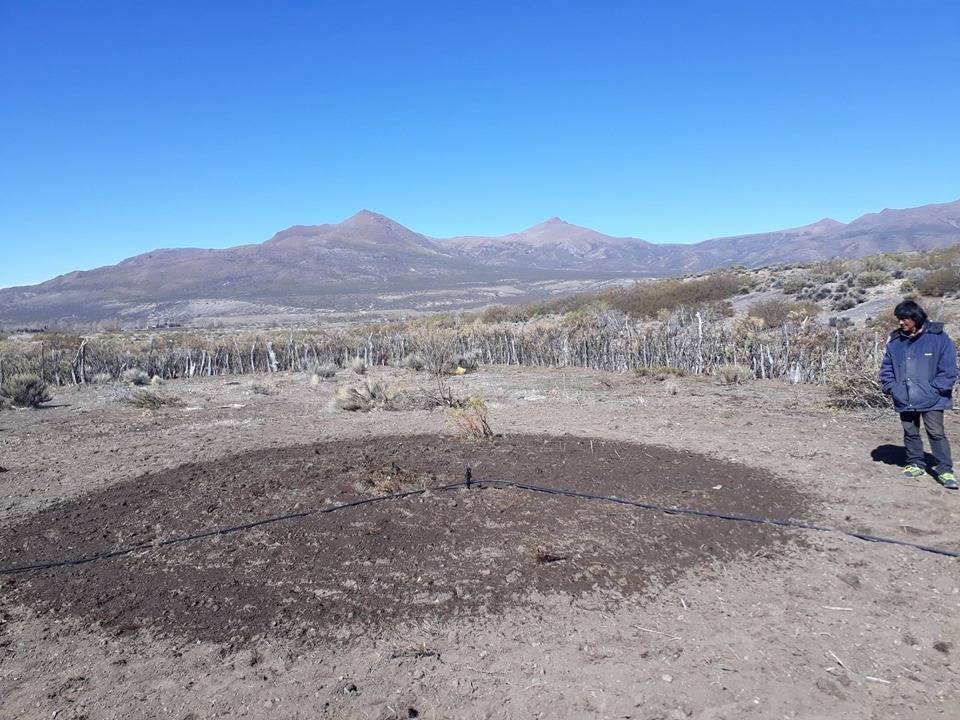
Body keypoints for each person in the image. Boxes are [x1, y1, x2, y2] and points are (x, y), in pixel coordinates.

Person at [879, 300, 958, 490]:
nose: (901, 322)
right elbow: (886, 370)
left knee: (936, 433)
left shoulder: (939, 339)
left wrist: (935, 389)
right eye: (899, 319)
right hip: (904, 397)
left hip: (933, 398)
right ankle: (916, 463)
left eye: (904, 318)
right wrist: (894, 389)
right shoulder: (895, 343)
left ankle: (945, 469)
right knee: (910, 432)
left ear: (916, 317)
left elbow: (949, 370)